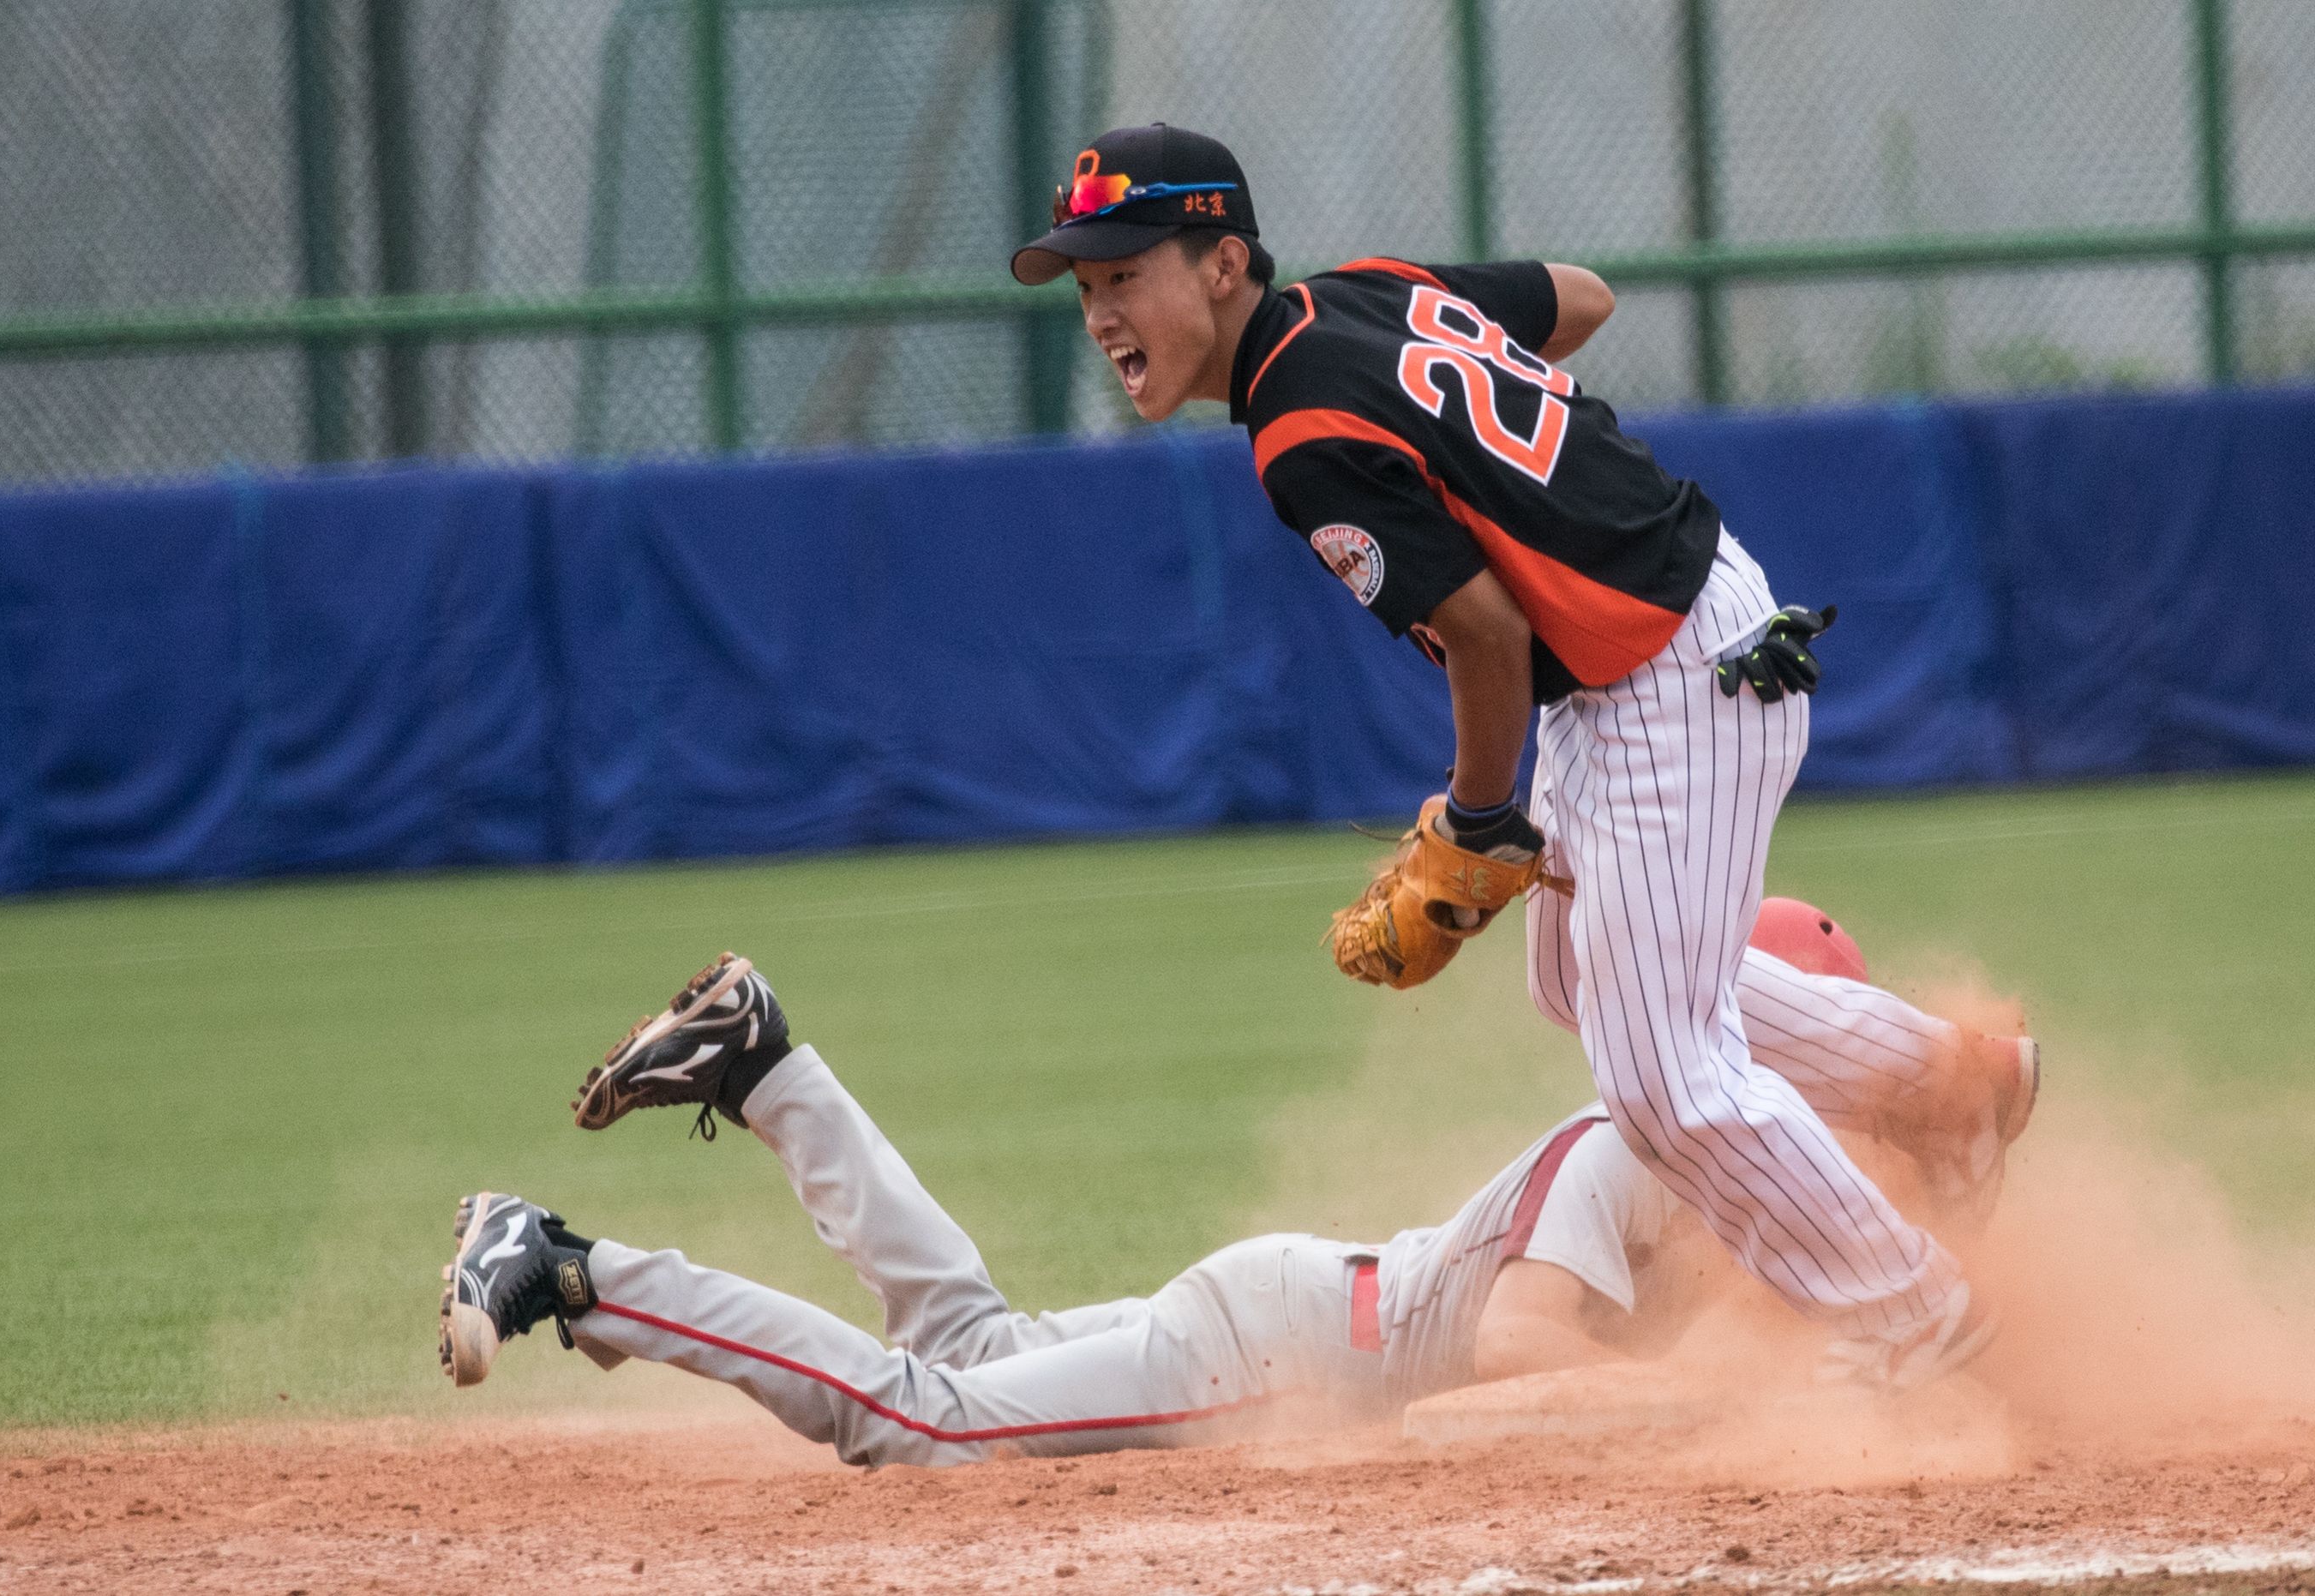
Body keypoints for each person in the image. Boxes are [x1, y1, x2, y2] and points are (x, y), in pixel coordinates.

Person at [1007, 123, 2007, 1388]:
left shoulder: (1301, 432)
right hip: (1668, 637)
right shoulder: (1363, 293)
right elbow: (1580, 299)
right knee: (1586, 981)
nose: (1101, 312)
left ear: (1219, 263)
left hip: (1661, 672)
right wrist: (1499, 430)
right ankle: (1946, 1086)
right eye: (1087, 287)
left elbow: (1485, 636)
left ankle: (1910, 1311)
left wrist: (1480, 822)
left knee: (1661, 1079)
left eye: (1124, 273)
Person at [437, 918, 2036, 1464]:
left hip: (1295, 1322)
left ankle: (768, 1064)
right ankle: (578, 1267)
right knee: (924, 1424)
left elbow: (1967, 1157)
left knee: (979, 1349)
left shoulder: (1771, 1187)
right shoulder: (1636, 1138)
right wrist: (1744, 1415)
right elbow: (1520, 1352)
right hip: (1268, 1351)